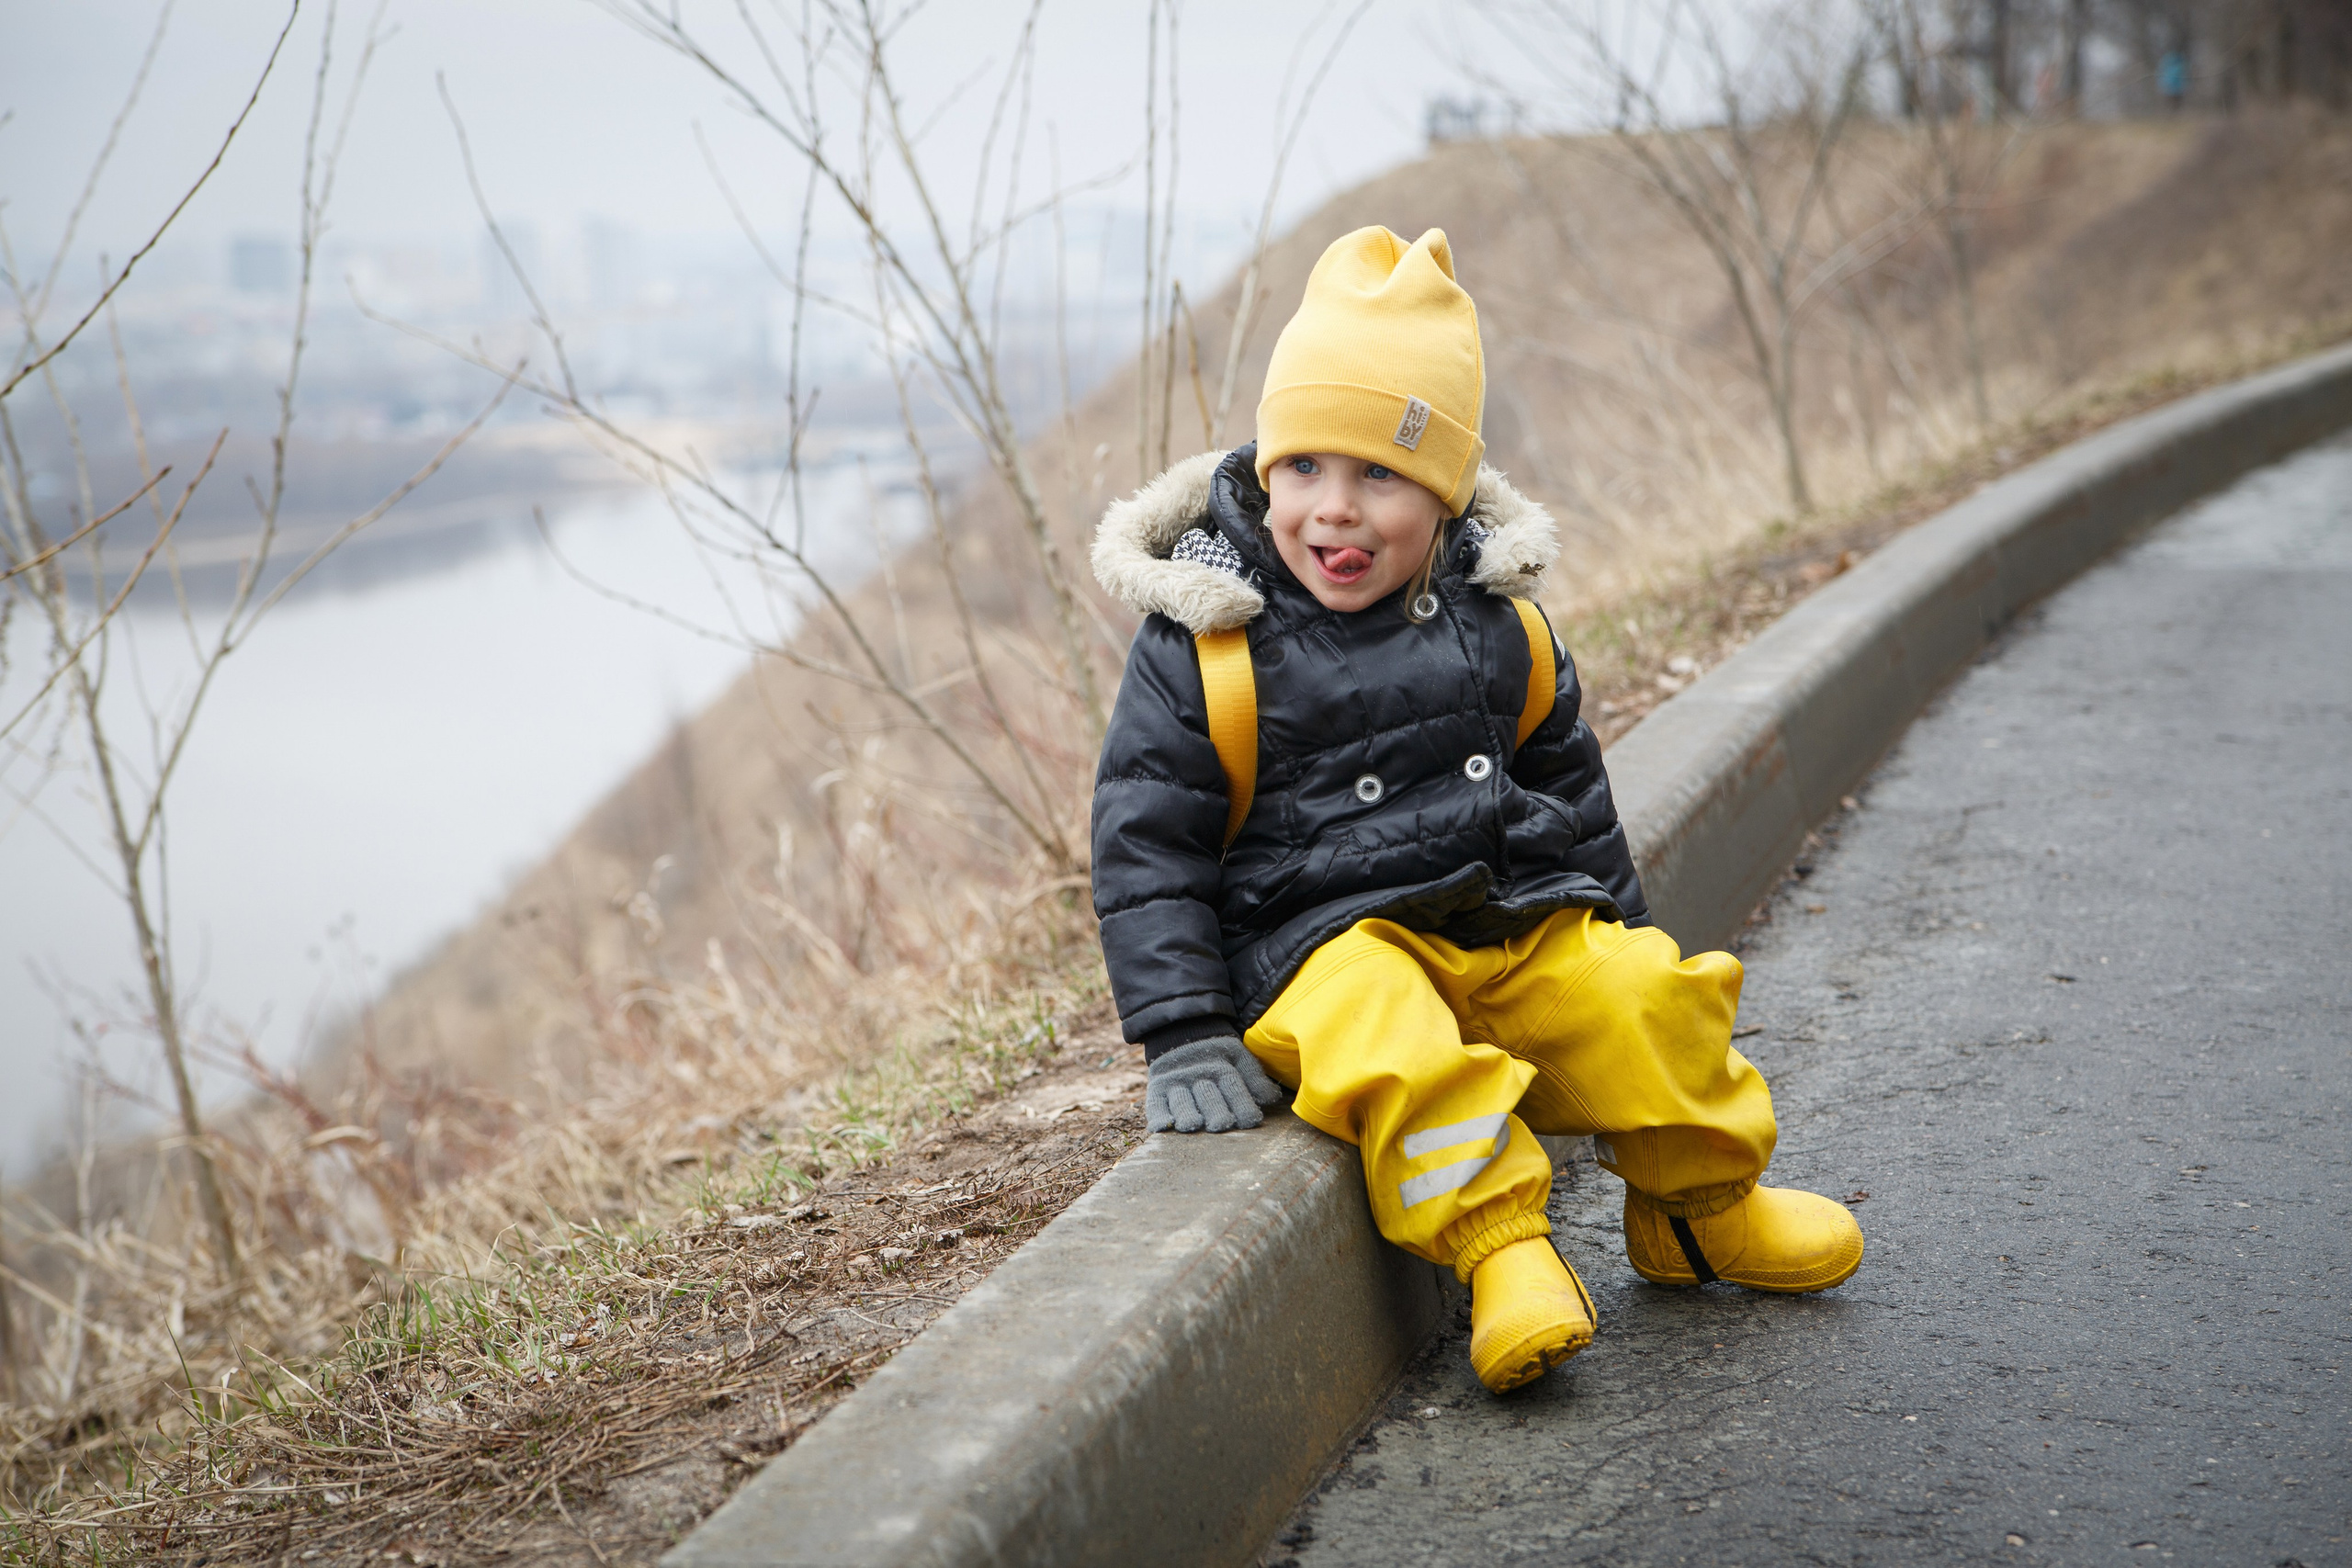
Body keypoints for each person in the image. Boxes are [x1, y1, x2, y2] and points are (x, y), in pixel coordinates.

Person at [1088, 226, 1862, 1394]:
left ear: (1446, 495)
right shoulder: (1209, 641)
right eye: (1303, 469)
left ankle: (1701, 1212)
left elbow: (1570, 787)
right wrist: (1183, 1027)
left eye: (1379, 476)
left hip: (1494, 917)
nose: (1334, 513)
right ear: (1262, 470)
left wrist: (1619, 929)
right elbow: (1146, 841)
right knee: (1391, 1038)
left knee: (1644, 998)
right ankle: (1501, 1250)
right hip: (1318, 950)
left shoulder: (1501, 626)